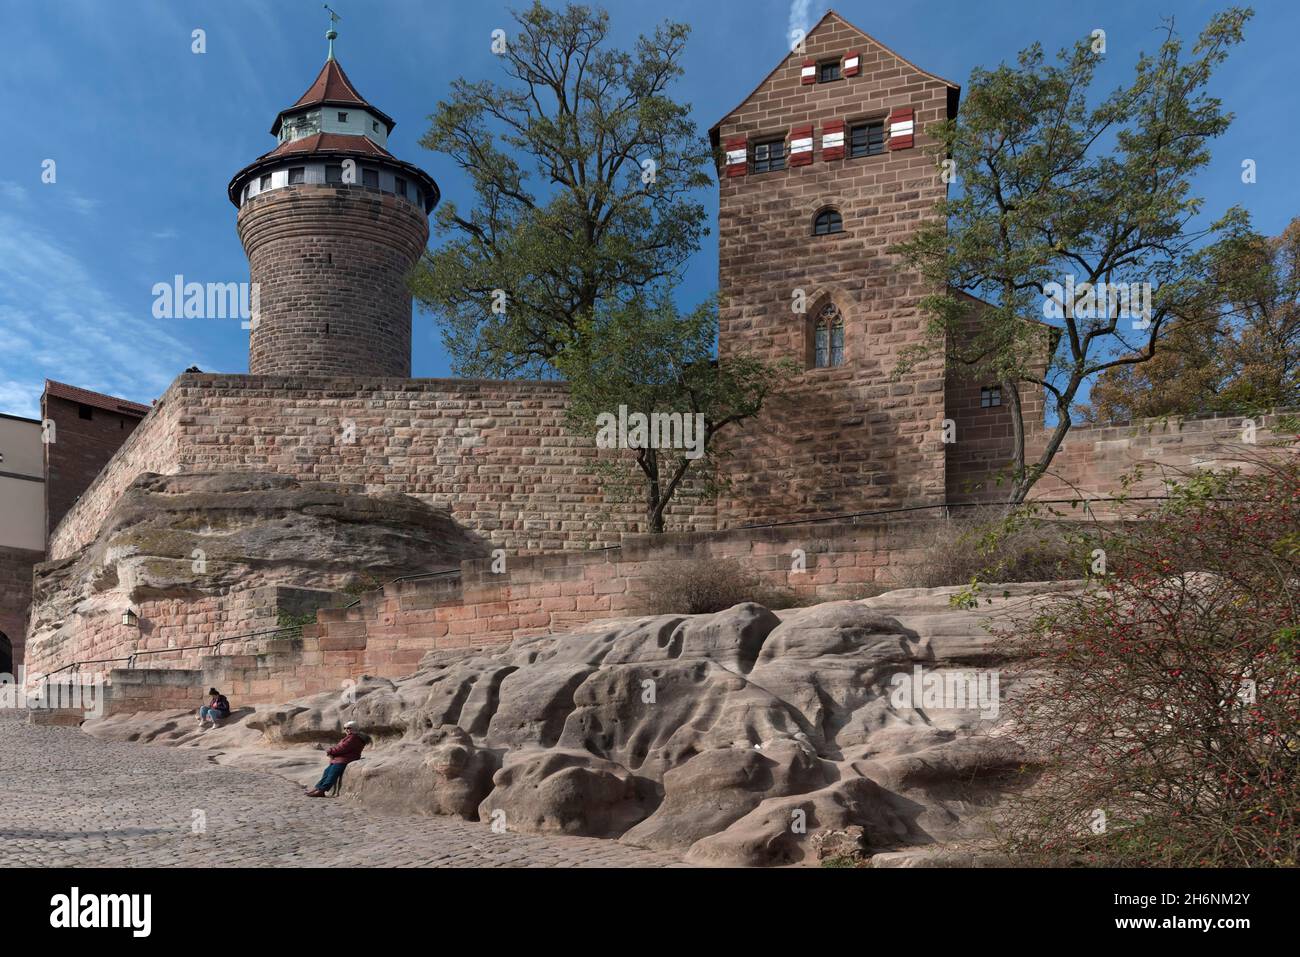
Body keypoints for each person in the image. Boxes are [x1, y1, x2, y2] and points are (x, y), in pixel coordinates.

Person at [305, 720, 368, 797]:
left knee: (332, 774)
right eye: (345, 728)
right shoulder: (350, 737)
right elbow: (339, 747)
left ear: (354, 728)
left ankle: (322, 791)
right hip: (340, 759)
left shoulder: (354, 738)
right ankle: (317, 788)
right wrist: (332, 751)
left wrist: (330, 751)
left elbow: (343, 748)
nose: (346, 730)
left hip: (345, 759)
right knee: (326, 772)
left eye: (349, 728)